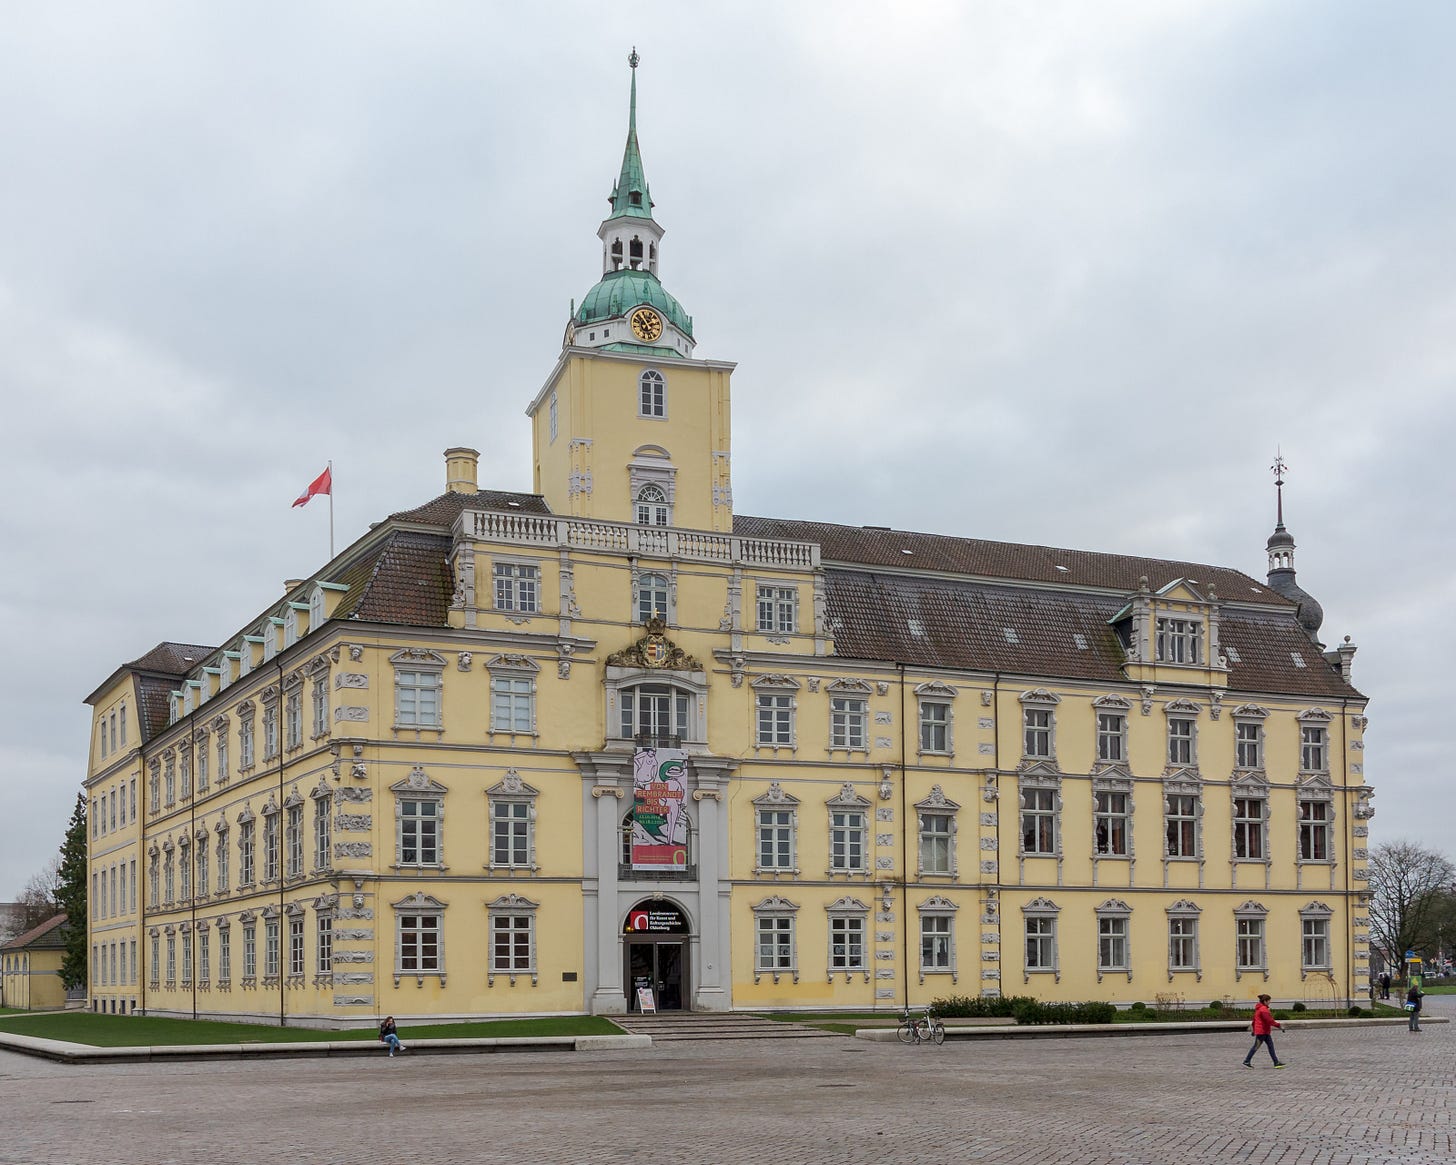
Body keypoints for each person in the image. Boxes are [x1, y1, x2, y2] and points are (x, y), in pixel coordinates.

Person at [1242, 994, 1285, 1069]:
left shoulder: (1259, 1009)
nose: (1270, 1002)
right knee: (1257, 1046)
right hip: (1262, 1032)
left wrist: (1254, 1030)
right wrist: (1279, 1026)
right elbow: (1269, 1021)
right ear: (1265, 1001)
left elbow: (1254, 1021)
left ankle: (1276, 1062)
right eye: (1269, 1001)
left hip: (1263, 1032)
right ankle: (1247, 1061)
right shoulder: (1263, 1009)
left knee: (1270, 1046)